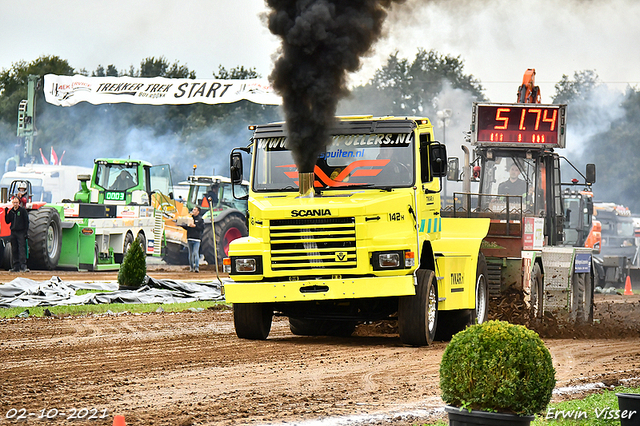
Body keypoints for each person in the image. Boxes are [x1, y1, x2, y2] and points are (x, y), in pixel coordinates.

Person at [5, 196, 29, 272]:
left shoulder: (22, 211)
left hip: (21, 232)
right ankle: (16, 266)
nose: (15, 204)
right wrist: (6, 213)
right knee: (14, 249)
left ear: (19, 203)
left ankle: (23, 266)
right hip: (13, 232)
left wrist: (25, 232)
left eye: (16, 203)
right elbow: (7, 221)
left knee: (21, 249)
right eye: (14, 202)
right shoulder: (11, 211)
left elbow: (26, 222)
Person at [181, 206, 204, 272]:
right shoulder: (189, 218)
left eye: (194, 210)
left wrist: (195, 226)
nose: (193, 211)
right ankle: (191, 267)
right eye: (193, 209)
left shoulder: (200, 220)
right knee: (190, 254)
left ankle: (196, 267)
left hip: (196, 239)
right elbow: (187, 227)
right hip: (189, 238)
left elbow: (201, 228)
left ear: (198, 212)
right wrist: (182, 224)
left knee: (195, 253)